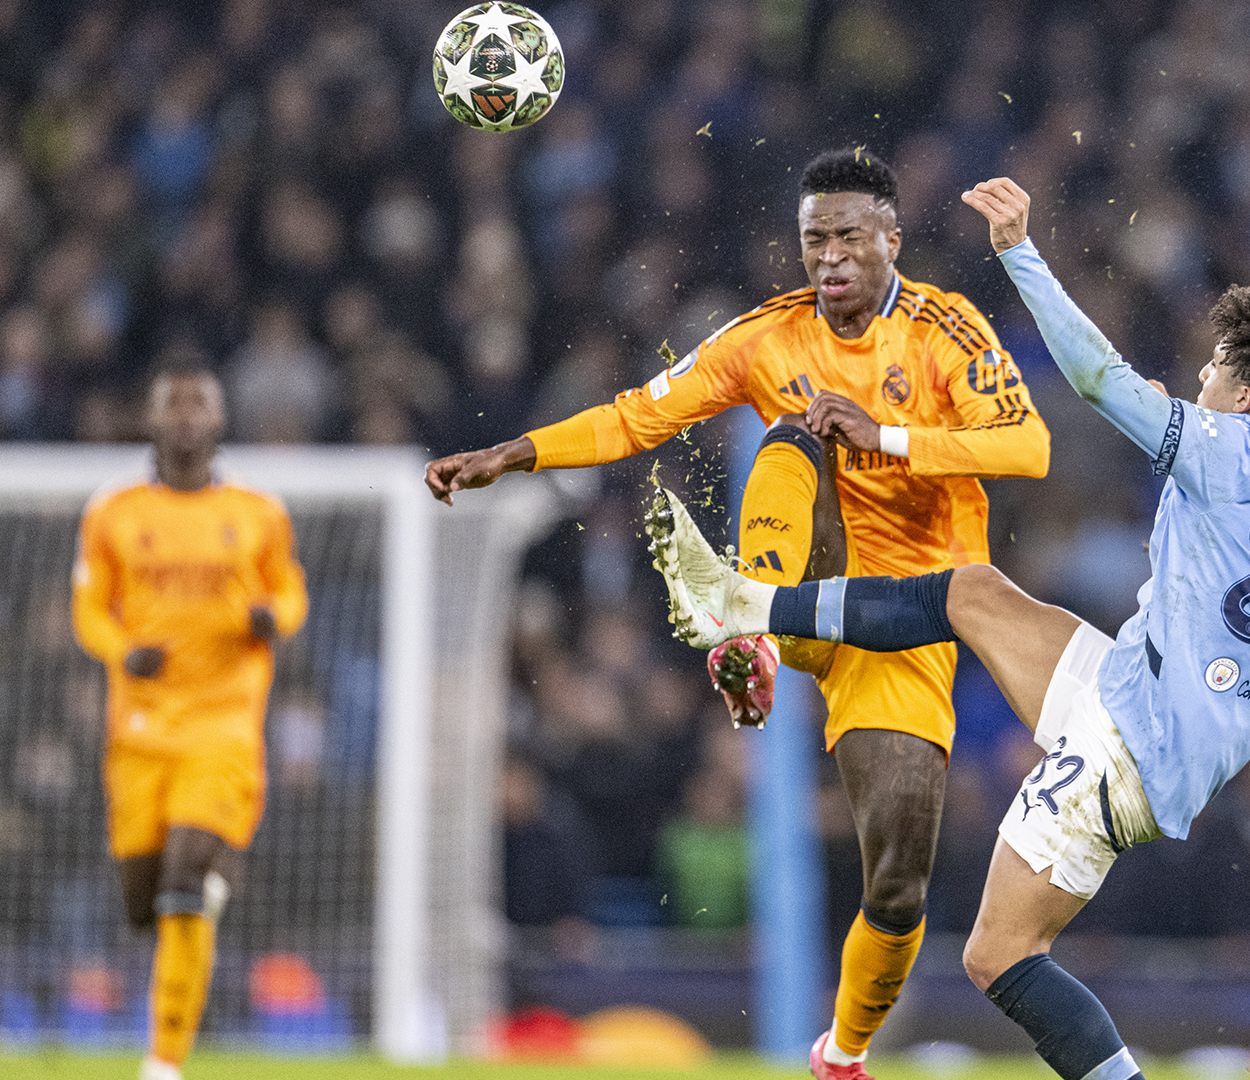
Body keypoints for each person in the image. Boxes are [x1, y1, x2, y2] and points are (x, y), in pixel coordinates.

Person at [645, 176, 1250, 1080]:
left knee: (999, 957)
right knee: (972, 591)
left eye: (1218, 368)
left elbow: (1100, 382)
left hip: (1133, 744)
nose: (1203, 377)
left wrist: (1020, 251)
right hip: (1156, 703)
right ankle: (748, 604)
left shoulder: (1229, 449)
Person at [423, 150, 1049, 1074]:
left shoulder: (943, 328)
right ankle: (745, 616)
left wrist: (890, 436)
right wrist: (515, 451)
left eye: (846, 238)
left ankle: (842, 1052)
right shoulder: (768, 336)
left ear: (891, 239)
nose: (828, 257)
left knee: (900, 881)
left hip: (909, 623)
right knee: (795, 429)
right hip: (803, 581)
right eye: (813, 241)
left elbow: (1026, 446)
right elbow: (638, 416)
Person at [71, 366, 309, 1080]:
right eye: (170, 402)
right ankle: (204, 890)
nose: (183, 415)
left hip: (224, 726)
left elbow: (290, 589)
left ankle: (163, 1063)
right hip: (139, 732)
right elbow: (87, 608)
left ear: (219, 418)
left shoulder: (259, 511)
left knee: (182, 882)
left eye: (196, 402)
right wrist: (122, 652)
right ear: (148, 417)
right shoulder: (111, 512)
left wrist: (276, 618)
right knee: (145, 904)